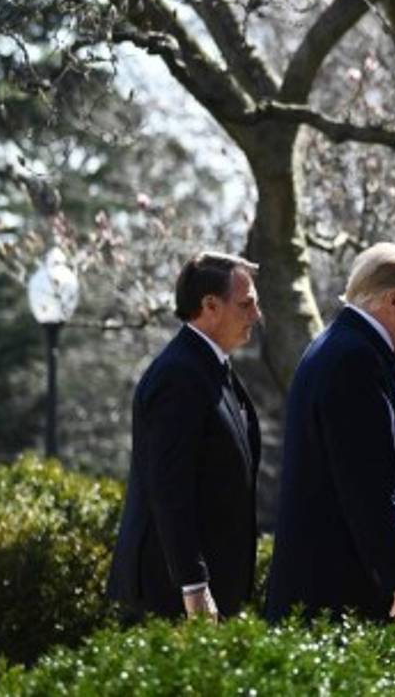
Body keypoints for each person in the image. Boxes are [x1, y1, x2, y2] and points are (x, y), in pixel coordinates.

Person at [265, 242, 395, 656]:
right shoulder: (353, 359)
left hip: (353, 585)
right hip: (351, 593)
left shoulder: (360, 350)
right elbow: (368, 483)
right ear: (393, 299)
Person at [106, 252, 262, 621]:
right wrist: (193, 586)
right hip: (172, 597)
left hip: (207, 589)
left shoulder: (211, 367)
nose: (256, 315)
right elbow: (168, 489)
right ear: (210, 306)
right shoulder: (179, 375)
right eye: (246, 304)